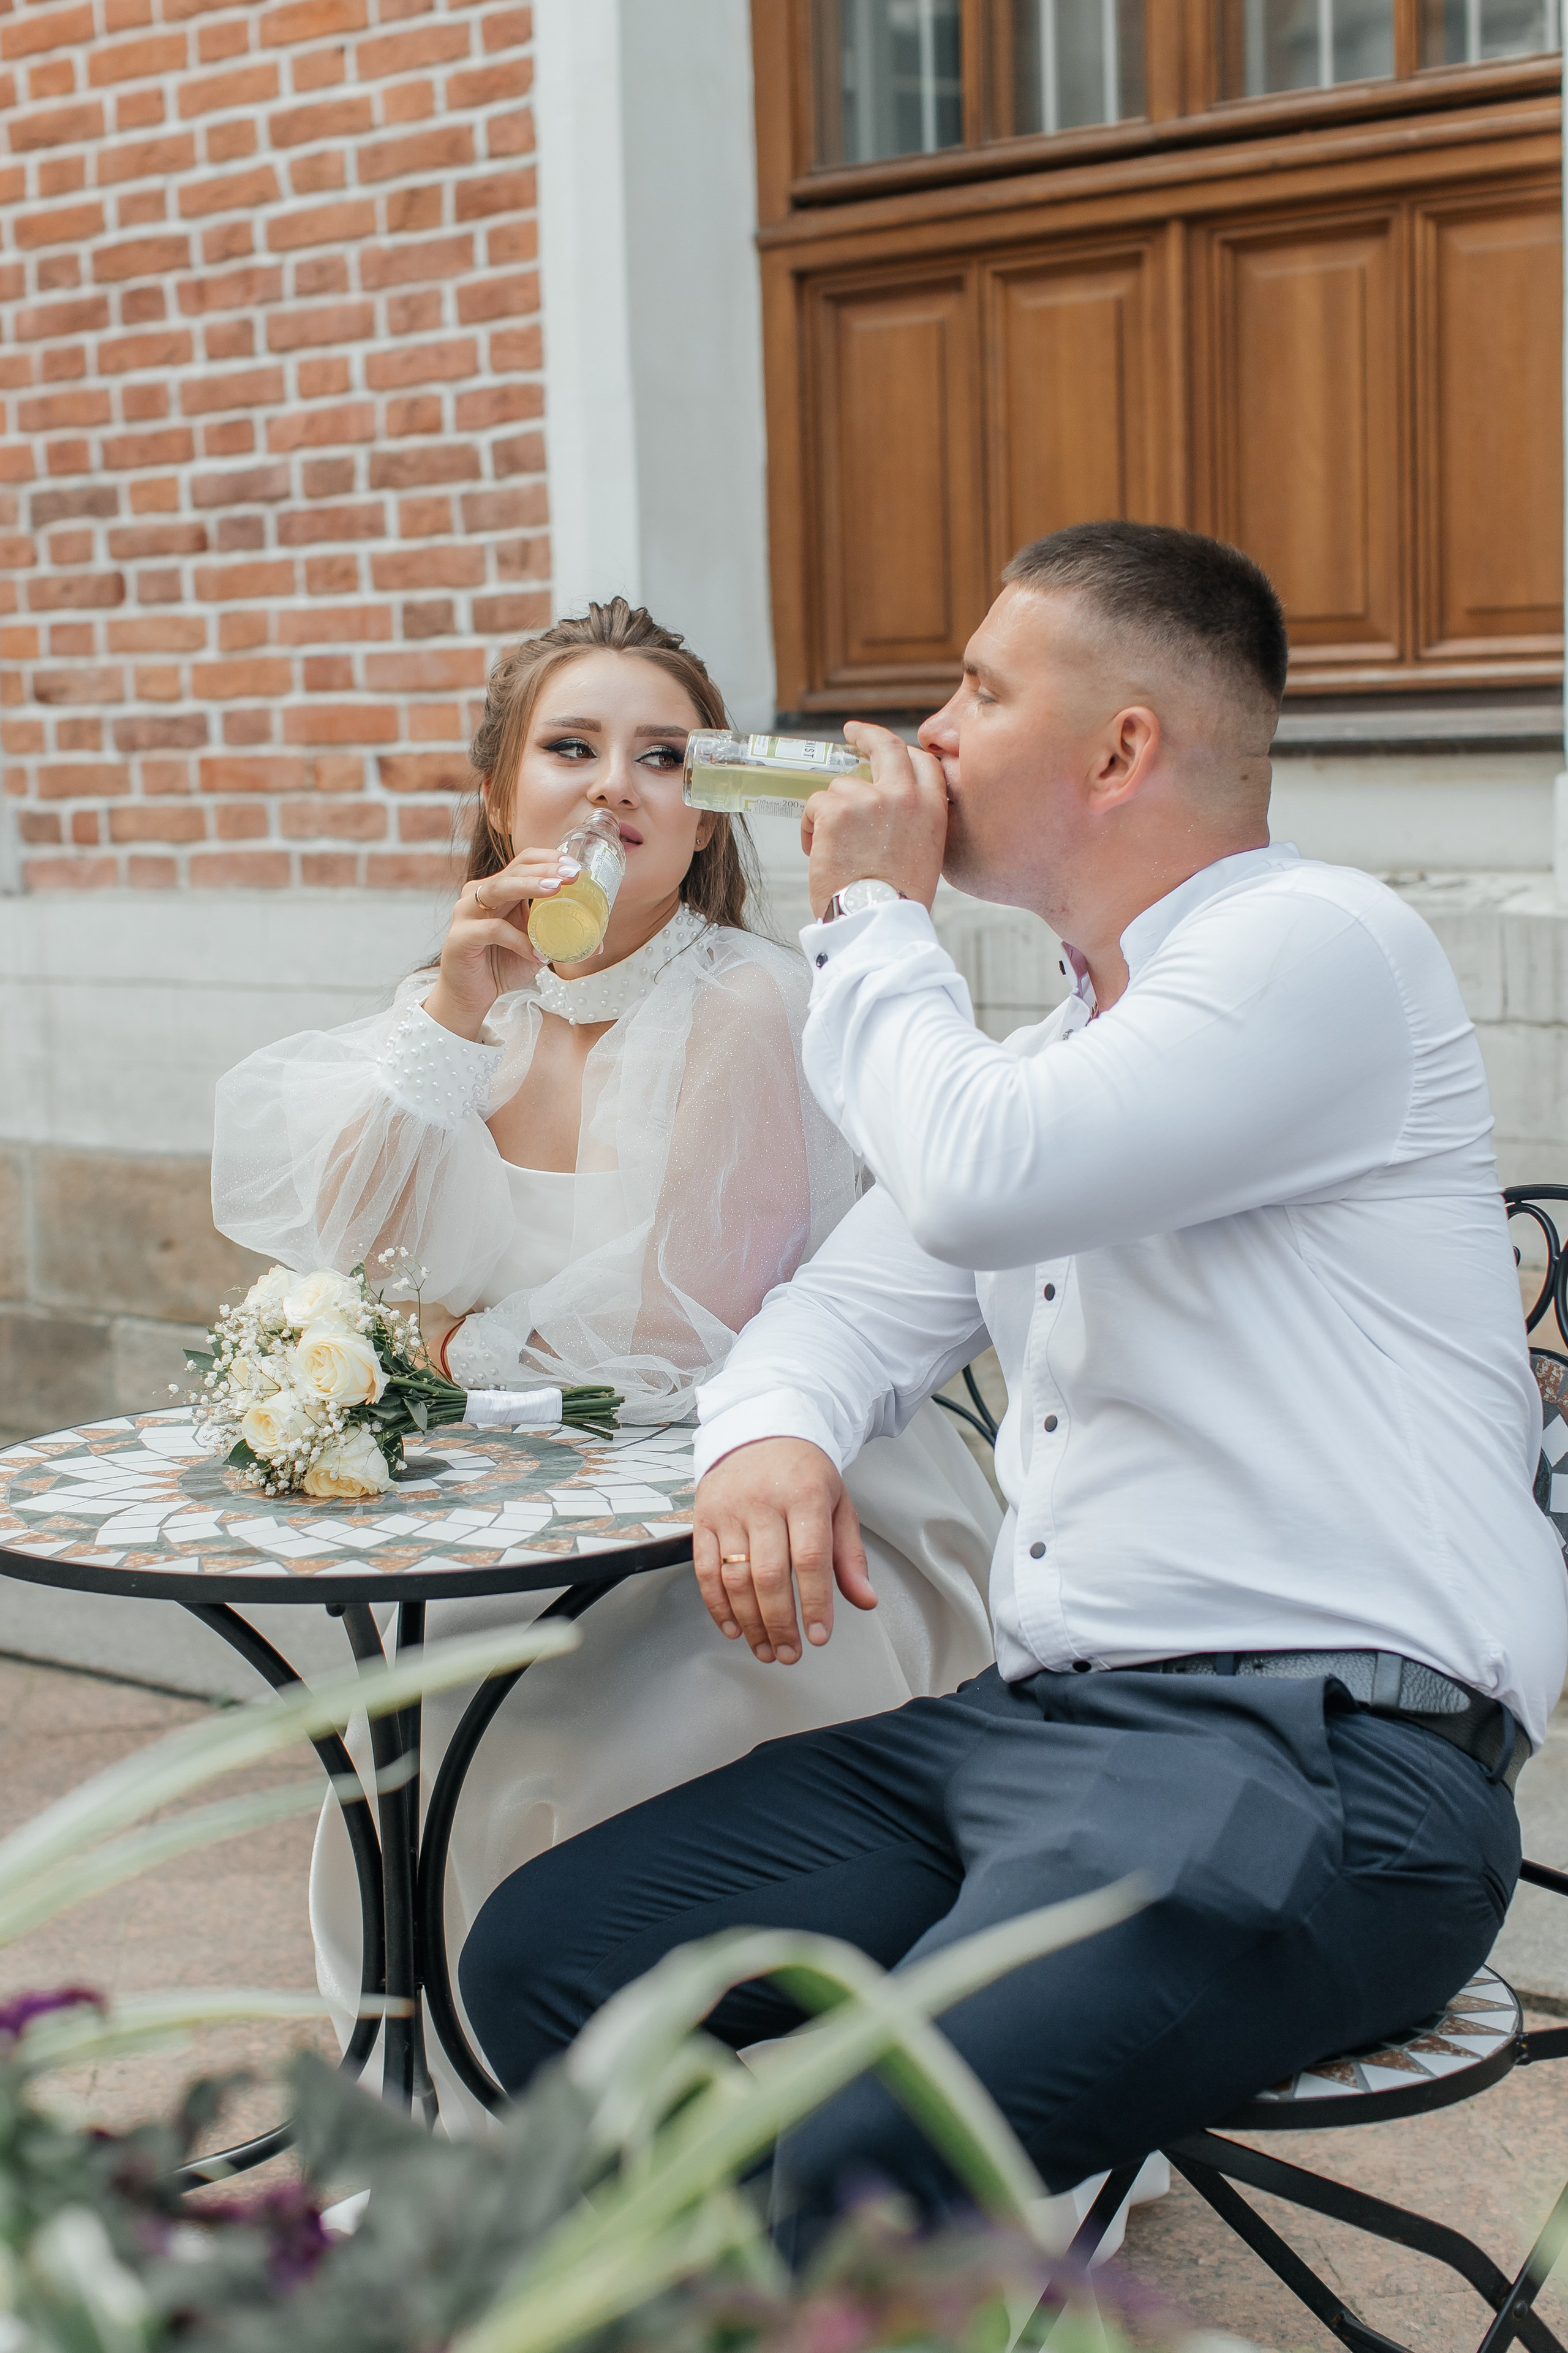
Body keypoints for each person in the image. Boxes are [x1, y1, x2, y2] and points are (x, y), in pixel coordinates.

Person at [458, 525, 1568, 2234]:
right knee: (553, 1957)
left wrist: (869, 906)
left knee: (868, 2145)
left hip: (1330, 1764)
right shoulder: (1064, 1054)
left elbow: (979, 1175)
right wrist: (769, 1439)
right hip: (1038, 1727)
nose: (935, 732)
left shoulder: (1318, 948)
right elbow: (844, 1305)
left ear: (1122, 748)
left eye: (980, 687)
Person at [210, 599, 999, 2124]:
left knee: (575, 1739)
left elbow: (671, 1338)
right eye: (570, 748)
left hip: (744, 1504)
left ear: (702, 819)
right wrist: (454, 1012)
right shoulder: (456, 999)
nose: (614, 785)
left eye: (661, 756)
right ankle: (447, 2123)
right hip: (518, 1501)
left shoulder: (749, 1001)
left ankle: (678, 2148)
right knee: (408, 1753)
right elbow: (341, 1239)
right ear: (500, 796)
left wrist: (431, 1349)